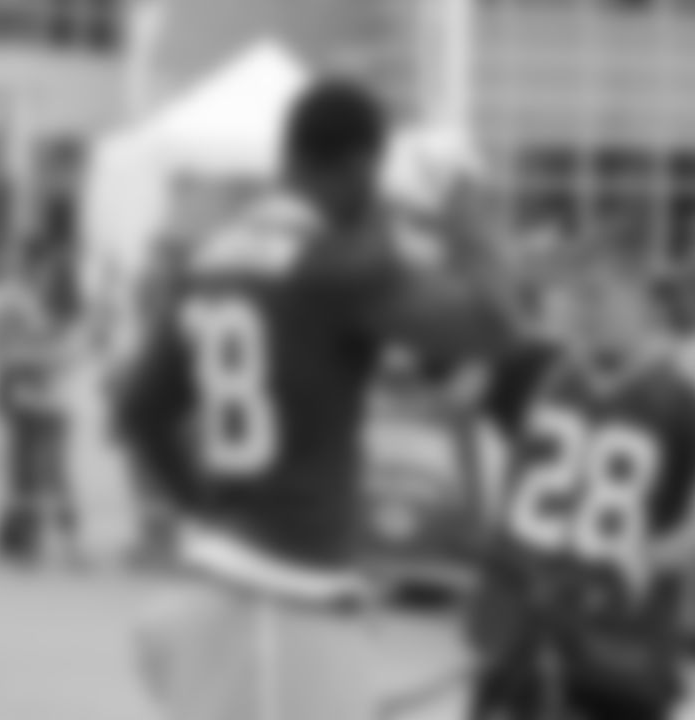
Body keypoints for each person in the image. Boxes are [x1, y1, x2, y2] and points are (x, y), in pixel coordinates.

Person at [115, 77, 517, 720]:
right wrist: (470, 222)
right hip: (284, 591)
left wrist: (201, 505)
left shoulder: (216, 254)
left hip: (219, 576)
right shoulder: (337, 264)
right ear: (360, 167)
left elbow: (138, 408)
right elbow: (492, 322)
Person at [464, 244, 695, 720]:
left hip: (618, 642)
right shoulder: (532, 369)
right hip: (518, 621)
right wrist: (486, 525)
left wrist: (650, 557)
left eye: (601, 297)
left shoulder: (689, 406)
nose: (586, 311)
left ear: (646, 306)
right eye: (579, 296)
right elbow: (459, 407)